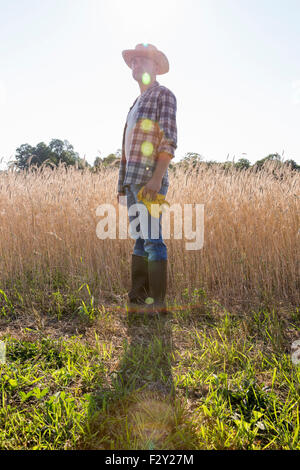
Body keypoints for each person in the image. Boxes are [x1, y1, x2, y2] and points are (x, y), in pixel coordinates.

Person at [117, 43, 177, 315]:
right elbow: (126, 150)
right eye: (133, 61)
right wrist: (122, 185)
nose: (136, 64)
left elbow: (168, 140)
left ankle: (157, 304)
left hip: (149, 178)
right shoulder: (134, 104)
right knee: (140, 238)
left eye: (142, 60)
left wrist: (156, 179)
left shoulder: (162, 95)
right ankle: (138, 298)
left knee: (152, 239)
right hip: (132, 180)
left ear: (155, 67)